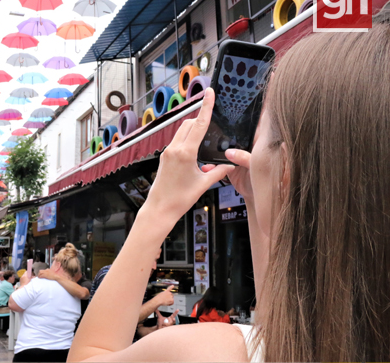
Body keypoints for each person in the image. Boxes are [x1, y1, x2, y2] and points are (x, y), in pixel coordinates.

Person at [70, 25, 390, 362]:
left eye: (261, 122)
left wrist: (158, 208)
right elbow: (279, 324)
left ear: (284, 171)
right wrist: (255, 198)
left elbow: (88, 356)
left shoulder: (209, 351)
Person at [8, 243, 82, 362]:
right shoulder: (76, 292)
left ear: (57, 265)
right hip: (64, 353)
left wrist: (23, 285)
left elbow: (13, 304)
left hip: (31, 351)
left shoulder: (38, 283)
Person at [89, 248, 176, 340]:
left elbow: (137, 330)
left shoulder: (140, 283)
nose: (154, 267)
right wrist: (157, 301)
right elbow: (119, 321)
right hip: (102, 350)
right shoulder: (109, 274)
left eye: (156, 260)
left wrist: (156, 329)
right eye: (151, 259)